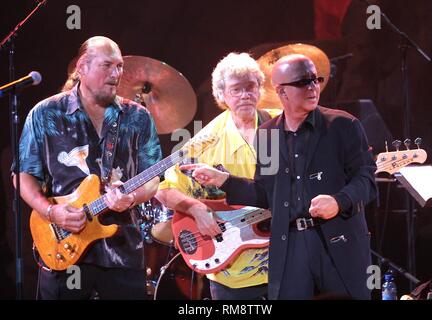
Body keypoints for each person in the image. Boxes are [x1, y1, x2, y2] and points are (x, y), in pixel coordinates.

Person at [180, 54, 377, 300]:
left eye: (315, 80)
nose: (313, 87)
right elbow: (266, 193)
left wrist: (339, 201)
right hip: (291, 249)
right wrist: (224, 181)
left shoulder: (342, 125)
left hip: (338, 244)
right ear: (281, 92)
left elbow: (367, 180)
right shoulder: (267, 134)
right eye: (303, 82)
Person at [12, 36, 162, 299]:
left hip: (123, 250)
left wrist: (132, 197)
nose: (116, 73)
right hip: (63, 247)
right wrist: (51, 211)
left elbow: (152, 179)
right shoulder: (45, 113)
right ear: (82, 67)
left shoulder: (138, 117)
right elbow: (23, 175)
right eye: (107, 65)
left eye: (119, 67)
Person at [156, 52, 271, 300]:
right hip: (233, 270)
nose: (245, 95)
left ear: (260, 88)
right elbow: (163, 190)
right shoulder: (205, 141)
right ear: (222, 96)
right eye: (236, 89)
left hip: (284, 262)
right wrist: (197, 209)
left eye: (251, 87)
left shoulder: (281, 125)